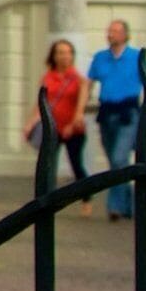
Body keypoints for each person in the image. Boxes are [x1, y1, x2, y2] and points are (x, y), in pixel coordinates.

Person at [85, 19, 146, 220]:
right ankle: (129, 204)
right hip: (107, 112)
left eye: (114, 31)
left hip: (128, 112)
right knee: (115, 162)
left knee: (119, 158)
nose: (110, 34)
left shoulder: (137, 57)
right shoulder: (100, 58)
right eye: (109, 31)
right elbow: (88, 83)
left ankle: (114, 206)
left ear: (125, 34)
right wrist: (81, 106)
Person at [27, 37, 94, 196]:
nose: (64, 56)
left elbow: (81, 106)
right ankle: (46, 197)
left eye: (67, 53)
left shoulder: (79, 79)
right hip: (52, 128)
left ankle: (86, 198)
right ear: (54, 56)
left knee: (76, 164)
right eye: (60, 53)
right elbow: (42, 102)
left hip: (73, 128)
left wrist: (73, 123)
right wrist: (31, 122)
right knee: (48, 164)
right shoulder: (48, 77)